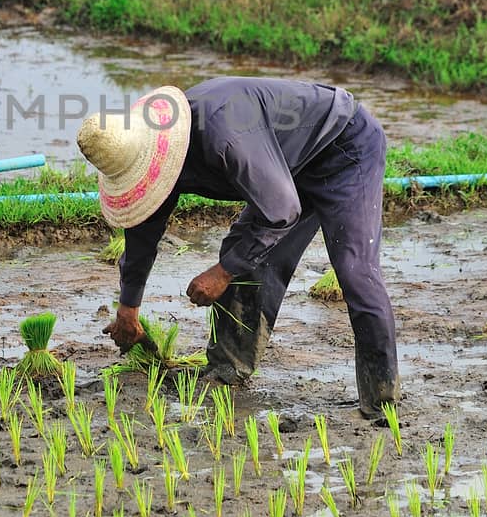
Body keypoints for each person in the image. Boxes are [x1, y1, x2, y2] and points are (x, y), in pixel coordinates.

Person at [76, 77, 399, 417]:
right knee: (247, 252)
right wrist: (128, 309)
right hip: (287, 162)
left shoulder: (224, 138)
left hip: (344, 147)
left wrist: (222, 272)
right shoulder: (156, 151)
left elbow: (280, 212)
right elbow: (143, 229)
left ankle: (381, 401)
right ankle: (228, 368)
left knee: (354, 271)